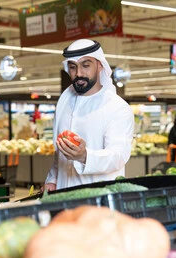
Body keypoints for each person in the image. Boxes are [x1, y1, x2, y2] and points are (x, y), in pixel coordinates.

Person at [43, 39, 134, 191]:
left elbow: (118, 156)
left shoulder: (117, 107)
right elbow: (59, 153)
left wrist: (85, 156)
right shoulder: (64, 100)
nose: (79, 73)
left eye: (86, 65)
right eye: (73, 67)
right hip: (62, 194)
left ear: (99, 65)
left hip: (98, 197)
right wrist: (52, 179)